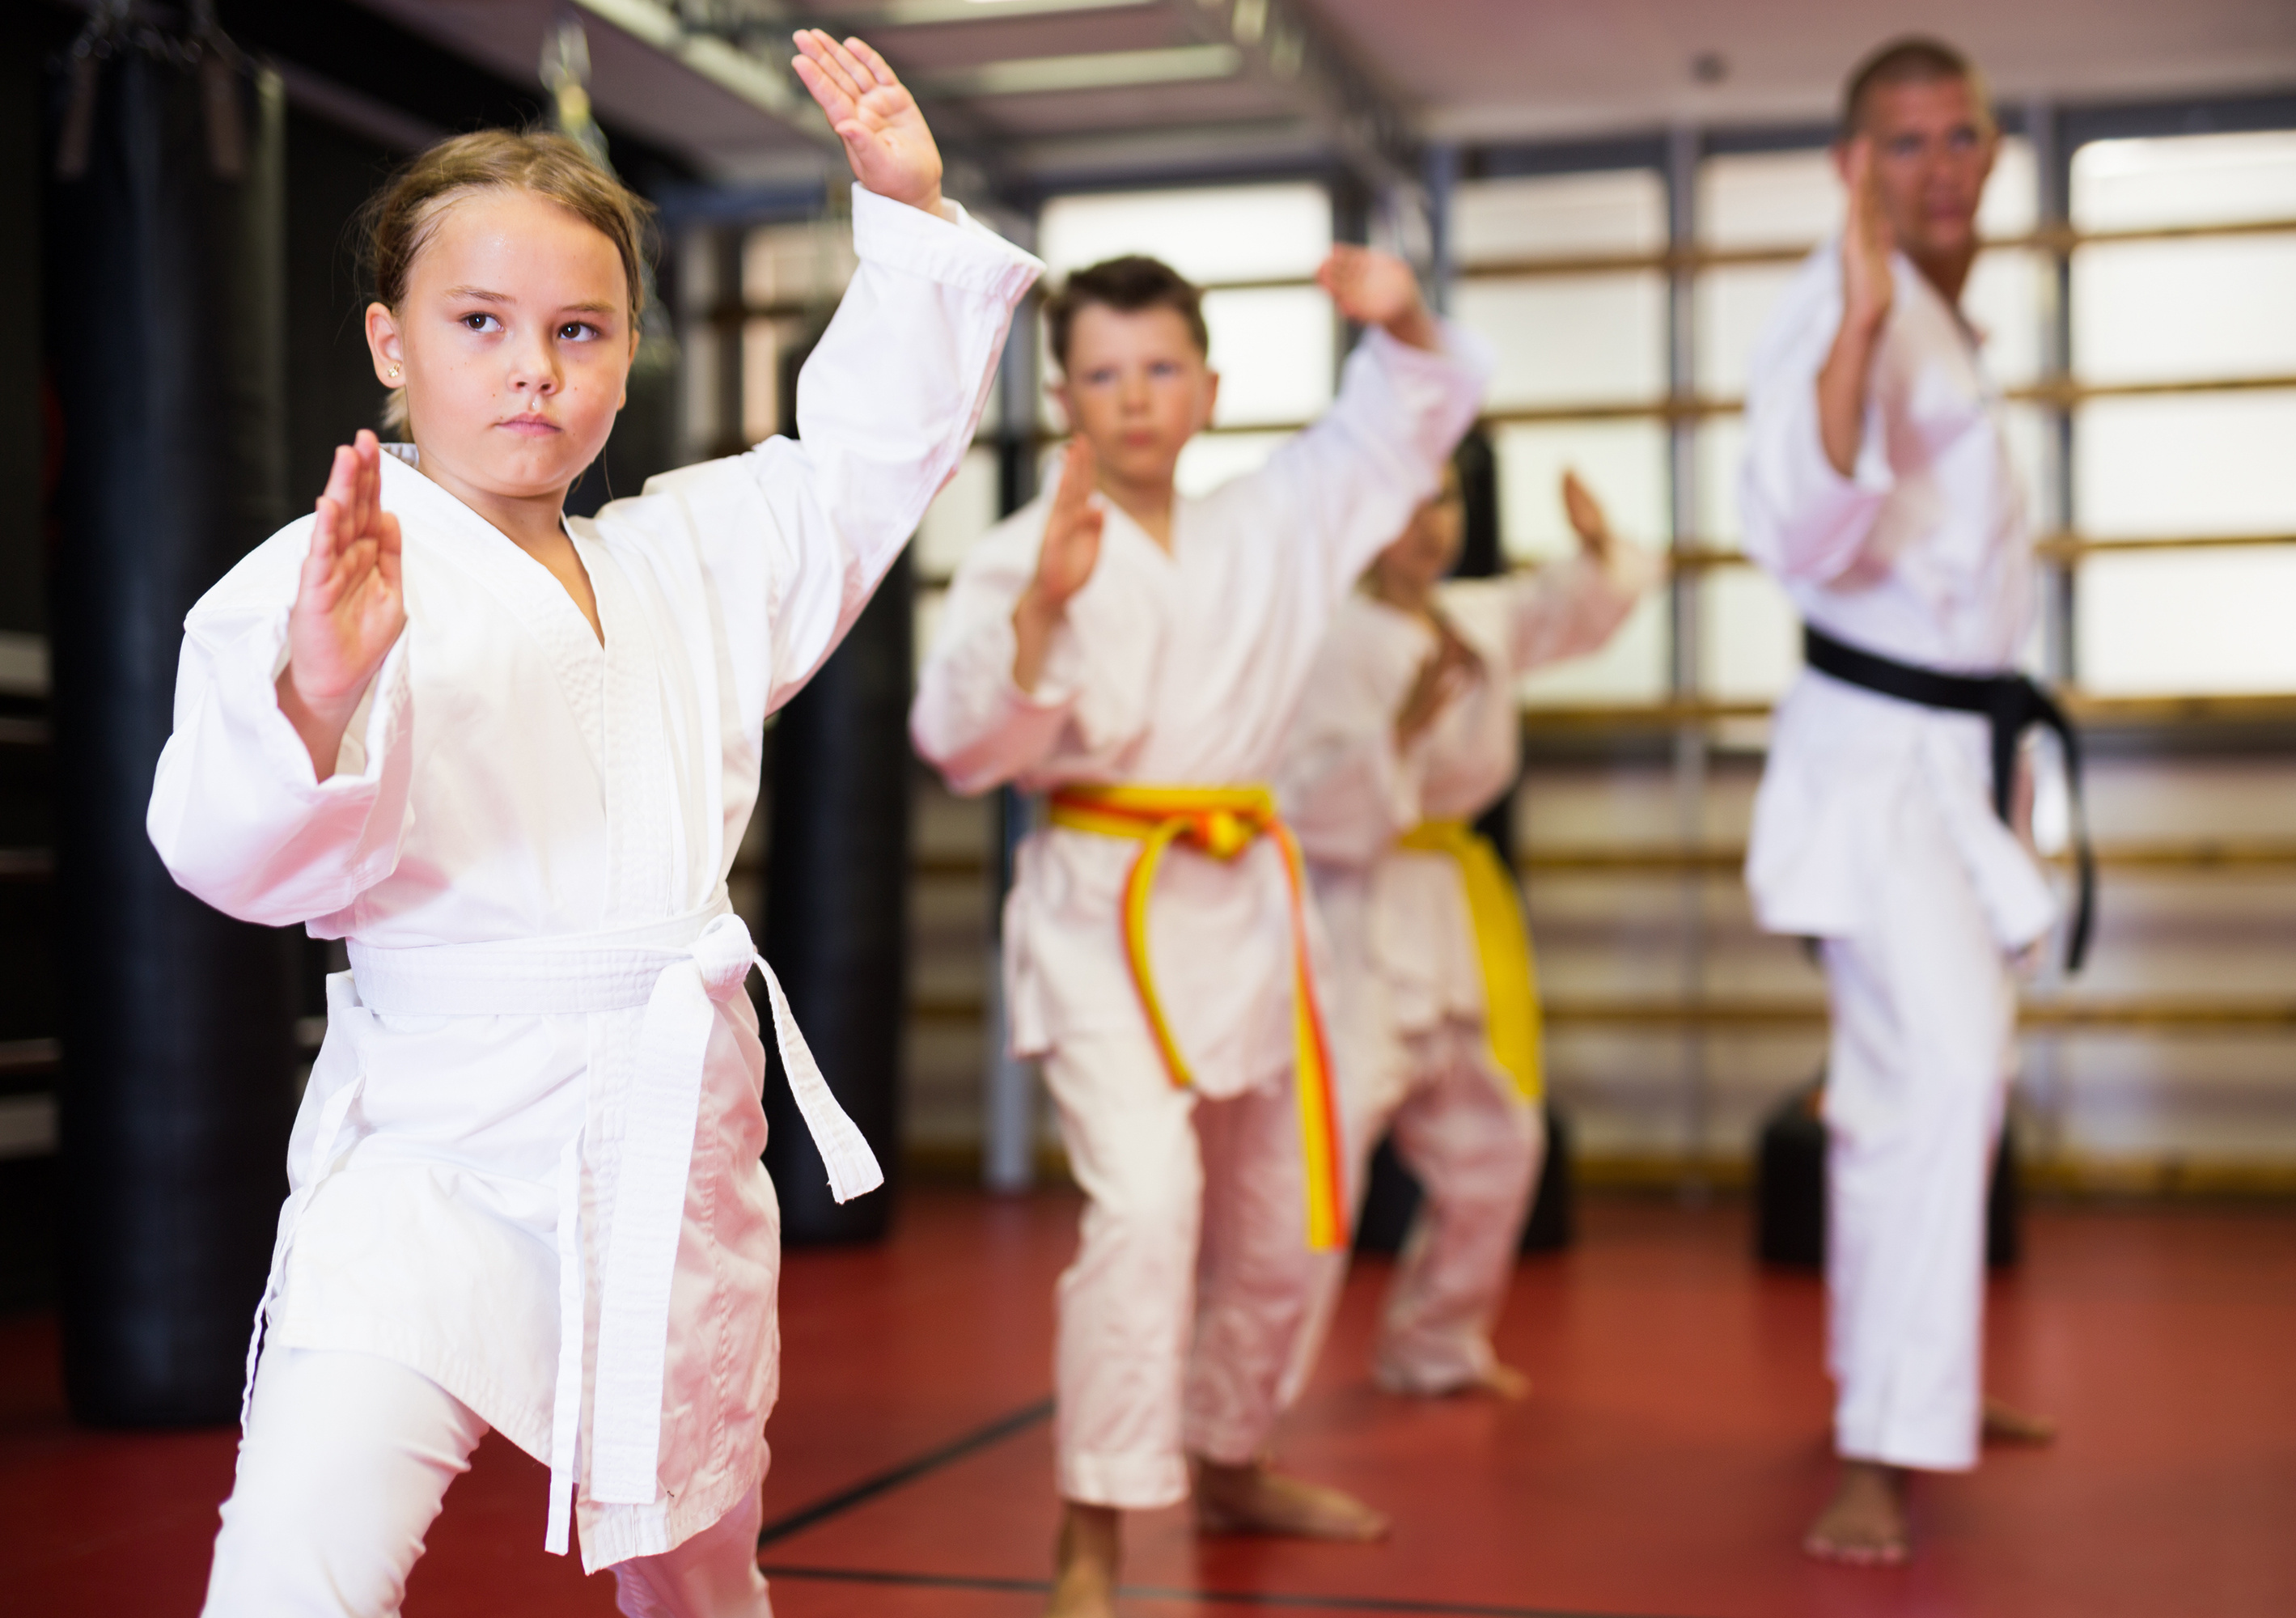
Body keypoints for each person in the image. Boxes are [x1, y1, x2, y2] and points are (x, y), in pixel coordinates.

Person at [146, 32, 1040, 1616]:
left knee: (697, 1568)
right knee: (294, 1566)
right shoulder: (326, 580)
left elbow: (858, 467)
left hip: (662, 1142)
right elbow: (226, 856)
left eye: (578, 329)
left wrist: (903, 215)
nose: (531, 369)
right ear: (388, 343)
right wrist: (315, 695)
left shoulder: (683, 560)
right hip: (430, 1150)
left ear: (630, 360)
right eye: (476, 323)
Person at [910, 252, 1488, 1618]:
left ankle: (1229, 1453)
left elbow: (1409, 411)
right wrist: (1045, 605)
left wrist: (1399, 313)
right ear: (1062, 398)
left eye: (1160, 368)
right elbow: (955, 743)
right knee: (1148, 1209)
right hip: (1105, 908)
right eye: (1102, 375)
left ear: (1210, 387)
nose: (1135, 400)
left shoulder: (1276, 521)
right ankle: (1093, 1525)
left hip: (1248, 897)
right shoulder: (1020, 546)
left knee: (1288, 1218)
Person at [1739, 35, 2065, 1569]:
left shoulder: (1940, 310)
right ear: (1849, 165)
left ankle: (1904, 1382)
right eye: (1904, 142)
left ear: (1991, 149)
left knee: (1914, 1084)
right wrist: (1861, 328)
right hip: (1878, 770)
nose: (1937, 165)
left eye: (1959, 136)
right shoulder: (1842, 304)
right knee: (1939, 1076)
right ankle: (1882, 1439)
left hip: (1955, 764)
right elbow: (1801, 526)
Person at [1277, 467, 1654, 1399]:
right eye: (1401, 499)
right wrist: (1394, 740)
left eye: (1441, 499)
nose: (1426, 523)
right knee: (1312, 1165)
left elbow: (1564, 609)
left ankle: (1433, 1340)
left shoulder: (1470, 620)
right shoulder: (1318, 638)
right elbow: (1299, 802)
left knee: (1497, 1141)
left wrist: (1597, 549)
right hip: (1353, 916)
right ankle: (1244, 1397)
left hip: (1448, 907)